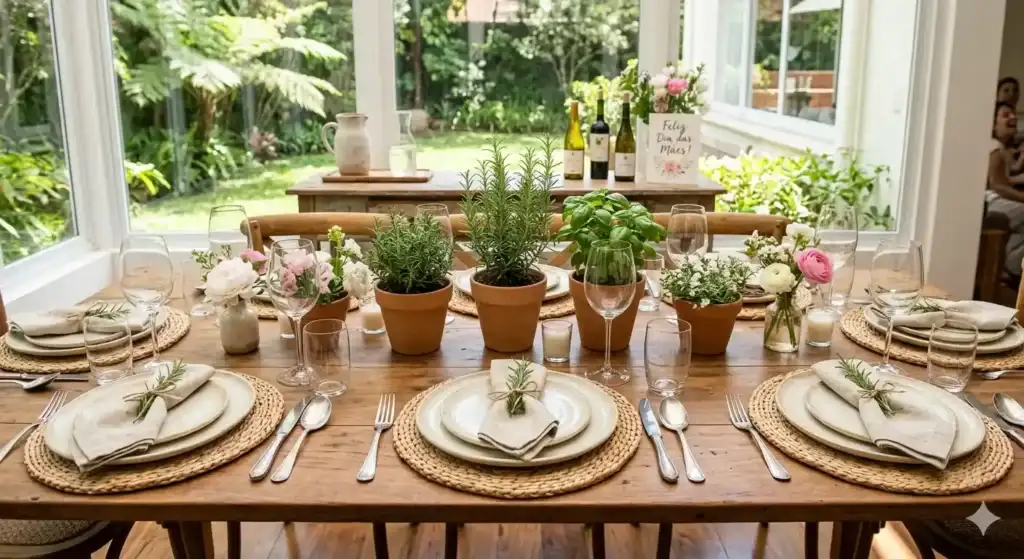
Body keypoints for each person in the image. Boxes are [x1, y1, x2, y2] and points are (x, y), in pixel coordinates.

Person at [986, 102, 1024, 275]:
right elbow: (997, 184)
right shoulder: (993, 147)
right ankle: (1010, 268)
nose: (1013, 118)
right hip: (990, 202)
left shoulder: (1002, 149)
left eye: (1013, 115)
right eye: (1006, 115)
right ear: (993, 124)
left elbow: (1006, 177)